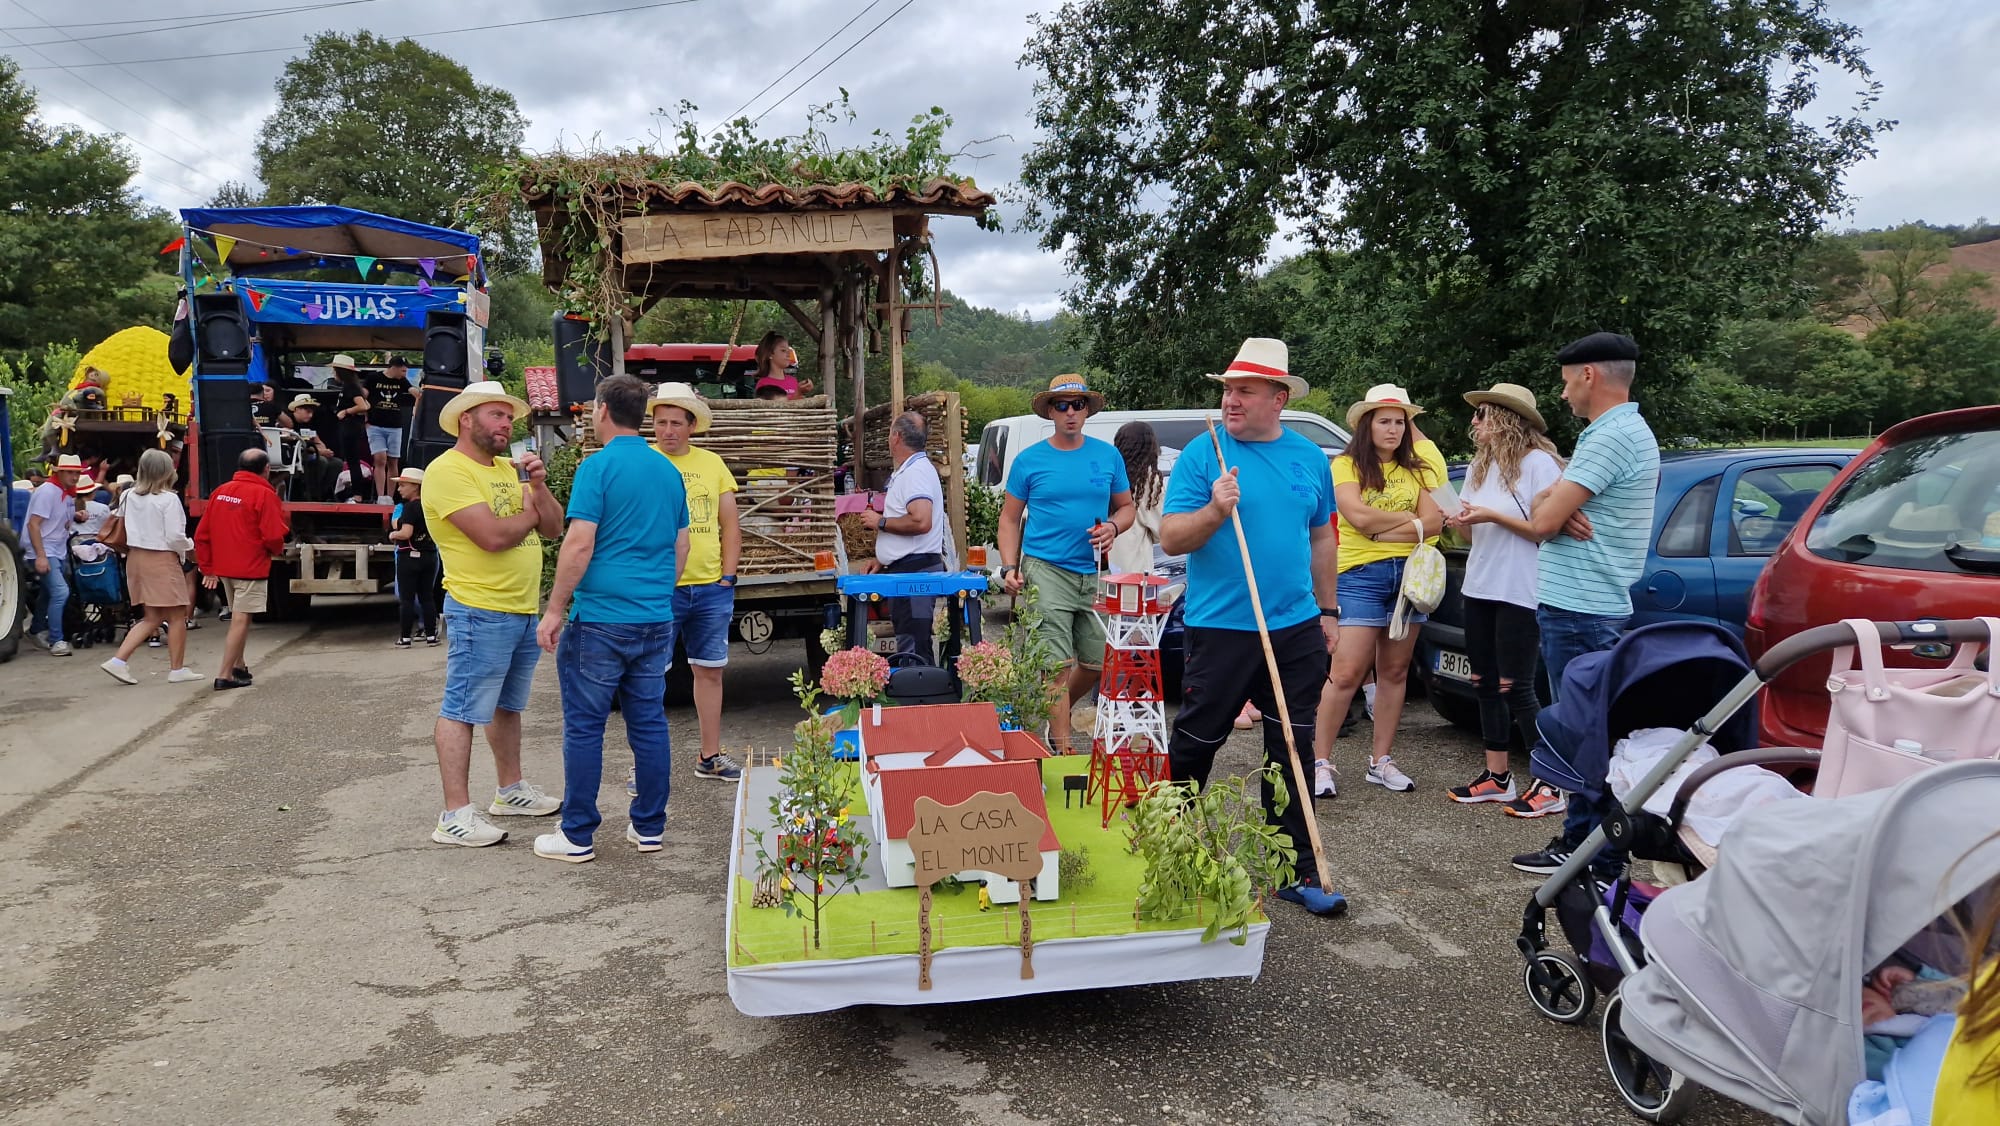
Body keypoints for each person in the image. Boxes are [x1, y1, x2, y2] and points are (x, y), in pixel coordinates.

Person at [1161, 338, 1346, 918]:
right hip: (1221, 626)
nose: (1230, 400)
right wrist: (1215, 510)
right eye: (1227, 390)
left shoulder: (1310, 458)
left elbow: (1321, 537)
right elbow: (1171, 538)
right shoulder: (1204, 454)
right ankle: (1173, 848)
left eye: (1244, 390)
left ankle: (1297, 869)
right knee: (1197, 740)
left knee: (1290, 748)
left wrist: (1328, 609)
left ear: (1278, 397)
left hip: (1294, 626)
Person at [1508, 332, 1661, 878]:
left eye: (1567, 379)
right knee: (1588, 729)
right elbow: (1544, 508)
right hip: (1587, 606)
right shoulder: (1619, 432)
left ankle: (1591, 852)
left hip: (1582, 608)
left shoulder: (1611, 437)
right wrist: (1554, 500)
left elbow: (1540, 523)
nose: (1564, 391)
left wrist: (1552, 507)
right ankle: (1584, 844)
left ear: (1589, 375)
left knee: (1585, 733)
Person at [532, 375, 691, 864]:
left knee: (584, 727)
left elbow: (579, 543)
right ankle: (648, 828)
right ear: (642, 415)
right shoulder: (668, 472)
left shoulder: (597, 468)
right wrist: (655, 593)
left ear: (601, 409)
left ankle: (577, 834)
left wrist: (555, 608)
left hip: (601, 618)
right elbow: (682, 545)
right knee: (648, 723)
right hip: (654, 617)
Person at [422, 379, 566, 847]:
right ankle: (455, 814)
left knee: (508, 706)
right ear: (467, 419)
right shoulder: (448, 471)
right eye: (496, 415)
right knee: (462, 708)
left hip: (520, 606)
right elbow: (494, 537)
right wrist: (527, 513)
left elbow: (552, 527)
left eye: (508, 417)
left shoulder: (510, 469)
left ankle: (510, 790)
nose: (506, 424)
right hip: (479, 607)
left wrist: (538, 487)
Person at [1309, 385, 1443, 798]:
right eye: (1385, 420)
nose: (1394, 428)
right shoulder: (1347, 464)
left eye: (1400, 421)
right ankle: (1319, 761)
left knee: (1395, 672)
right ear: (1367, 425)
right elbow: (1356, 516)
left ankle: (1380, 761)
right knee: (1346, 672)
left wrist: (1389, 526)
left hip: (1410, 577)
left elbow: (1437, 521)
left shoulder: (1416, 468)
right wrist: (1408, 520)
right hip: (1359, 574)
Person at [1442, 384, 1566, 807]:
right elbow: (1472, 533)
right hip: (1480, 584)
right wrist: (1457, 519)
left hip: (1522, 588)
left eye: (1482, 415)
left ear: (1506, 419)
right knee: (1485, 684)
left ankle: (1551, 783)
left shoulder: (1540, 465)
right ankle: (1497, 777)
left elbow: (1544, 528)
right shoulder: (1482, 465)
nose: (1474, 422)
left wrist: (1491, 513)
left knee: (1518, 687)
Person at [998, 375, 1136, 750]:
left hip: (1093, 570)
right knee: (1055, 667)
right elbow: (1009, 519)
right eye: (1062, 405)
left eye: (1078, 405)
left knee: (1095, 664)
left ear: (1087, 410)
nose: (1071, 412)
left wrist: (1112, 526)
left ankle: (1055, 717)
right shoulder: (1030, 460)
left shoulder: (1107, 455)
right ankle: (1063, 748)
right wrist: (1010, 567)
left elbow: (1127, 508)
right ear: (1050, 412)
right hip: (1045, 568)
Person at [649, 381, 745, 782]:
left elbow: (729, 523)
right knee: (649, 674)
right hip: (660, 588)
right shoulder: (645, 463)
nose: (668, 430)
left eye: (676, 423)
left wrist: (728, 575)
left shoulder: (712, 464)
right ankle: (647, 764)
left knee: (710, 671)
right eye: (661, 422)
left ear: (692, 426)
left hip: (709, 588)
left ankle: (710, 756)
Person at [98, 449, 200, 685]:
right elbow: (175, 536)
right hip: (161, 559)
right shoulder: (168, 499)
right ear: (166, 471)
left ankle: (119, 660)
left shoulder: (128, 495)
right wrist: (190, 547)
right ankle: (176, 669)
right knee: (177, 615)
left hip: (135, 558)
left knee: (151, 617)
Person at [193, 448, 290, 691]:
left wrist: (208, 568)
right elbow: (273, 536)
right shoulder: (264, 495)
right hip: (251, 567)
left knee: (237, 618)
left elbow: (201, 535)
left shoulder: (221, 492)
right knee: (241, 620)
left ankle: (239, 666)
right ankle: (224, 675)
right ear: (266, 469)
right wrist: (277, 549)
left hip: (225, 568)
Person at [863, 412, 947, 664]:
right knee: (911, 642)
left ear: (896, 437)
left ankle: (922, 698)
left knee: (914, 648)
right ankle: (919, 695)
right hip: (911, 567)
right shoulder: (914, 469)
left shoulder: (915, 472)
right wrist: (883, 558)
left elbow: (921, 520)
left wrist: (880, 521)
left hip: (916, 573)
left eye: (890, 432)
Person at [23, 454, 84, 656]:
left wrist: (75, 516)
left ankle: (35, 630)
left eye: (77, 473)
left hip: (55, 549)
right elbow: (33, 525)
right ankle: (56, 640)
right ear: (59, 472)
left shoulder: (65, 492)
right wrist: (40, 556)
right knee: (60, 592)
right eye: (71, 472)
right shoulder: (48, 492)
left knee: (50, 592)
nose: (75, 477)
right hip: (45, 549)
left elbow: (55, 519)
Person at [389, 468, 439, 647]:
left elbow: (405, 532)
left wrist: (393, 535)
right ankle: (432, 635)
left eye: (403, 485)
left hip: (409, 557)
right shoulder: (431, 505)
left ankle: (405, 637)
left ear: (415, 487)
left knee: (407, 599)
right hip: (430, 555)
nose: (399, 489)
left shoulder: (410, 507)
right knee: (427, 597)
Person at [1108, 420, 1164, 576]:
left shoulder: (1109, 475)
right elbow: (1163, 530)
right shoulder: (1148, 481)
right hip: (1133, 572)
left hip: (1104, 568)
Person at [329, 355, 376, 503]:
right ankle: (355, 494)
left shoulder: (351, 386)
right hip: (350, 426)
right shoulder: (350, 386)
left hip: (350, 426)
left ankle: (357, 495)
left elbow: (362, 406)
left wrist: (346, 411)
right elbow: (367, 405)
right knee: (352, 461)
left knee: (353, 461)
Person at [279, 395, 339, 500]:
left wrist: (323, 450)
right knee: (321, 461)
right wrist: (319, 451)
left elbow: (319, 442)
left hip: (311, 454)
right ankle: (308, 494)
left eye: (312, 412)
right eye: (307, 411)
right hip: (293, 455)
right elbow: (296, 442)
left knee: (337, 463)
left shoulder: (309, 424)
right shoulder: (287, 421)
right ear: (297, 409)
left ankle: (319, 493)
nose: (311, 415)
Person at [366, 356, 413, 490]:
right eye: (403, 370)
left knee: (393, 461)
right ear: (395, 368)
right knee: (380, 458)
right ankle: (380, 495)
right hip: (375, 425)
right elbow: (363, 394)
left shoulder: (402, 381)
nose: (405, 374)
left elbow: (413, 391)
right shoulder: (373, 378)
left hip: (395, 426)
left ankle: (390, 496)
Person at [750, 331, 814, 399]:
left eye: (788, 350)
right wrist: (799, 392)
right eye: (783, 350)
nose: (788, 354)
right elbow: (775, 407)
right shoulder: (763, 384)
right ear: (770, 354)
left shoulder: (793, 380)